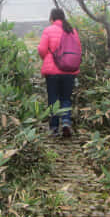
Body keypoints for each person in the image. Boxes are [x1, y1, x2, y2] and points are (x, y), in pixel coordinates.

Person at [37, 8, 82, 137]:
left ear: (52, 18)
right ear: (63, 18)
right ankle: (66, 122)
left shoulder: (48, 30)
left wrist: (46, 59)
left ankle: (54, 128)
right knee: (66, 98)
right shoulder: (72, 30)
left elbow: (42, 49)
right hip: (69, 70)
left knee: (53, 98)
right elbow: (78, 49)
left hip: (53, 71)